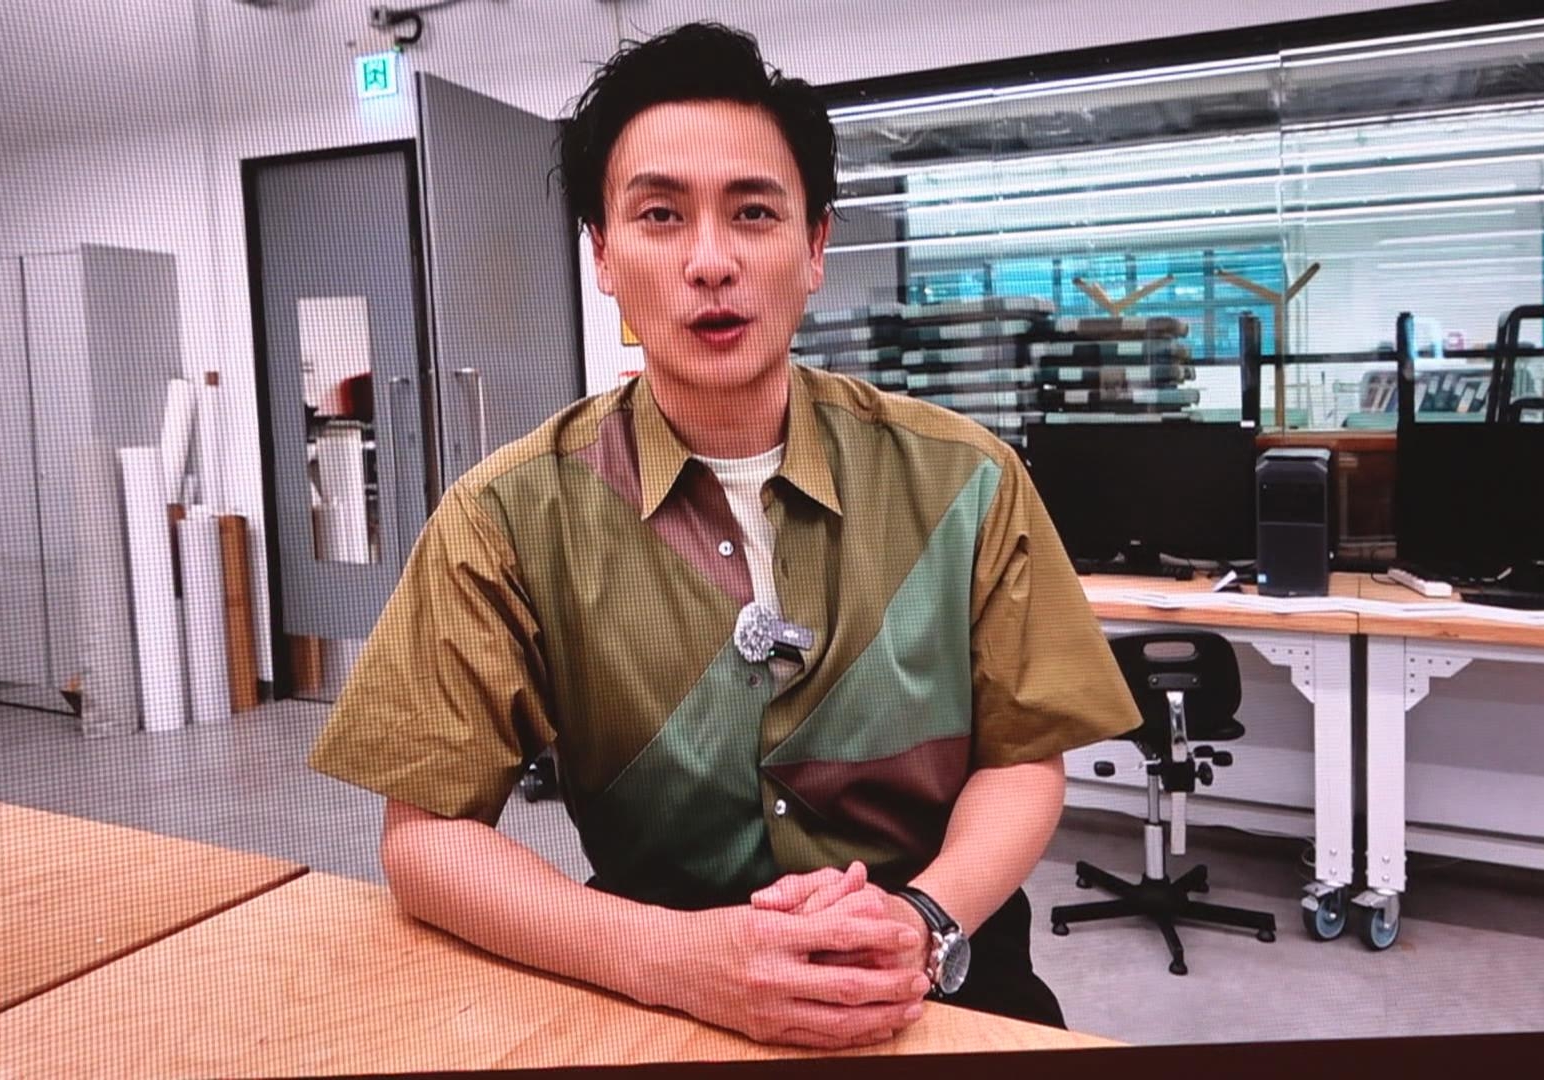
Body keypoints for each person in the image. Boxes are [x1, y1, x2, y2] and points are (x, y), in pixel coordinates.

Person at [307, 21, 1141, 1050]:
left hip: (937, 975)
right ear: (603, 253)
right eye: (660, 214)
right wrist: (670, 958)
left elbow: (1024, 759)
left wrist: (922, 921)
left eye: (754, 212)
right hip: (646, 976)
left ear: (816, 246)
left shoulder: (967, 480)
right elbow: (425, 839)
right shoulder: (508, 518)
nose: (711, 262)